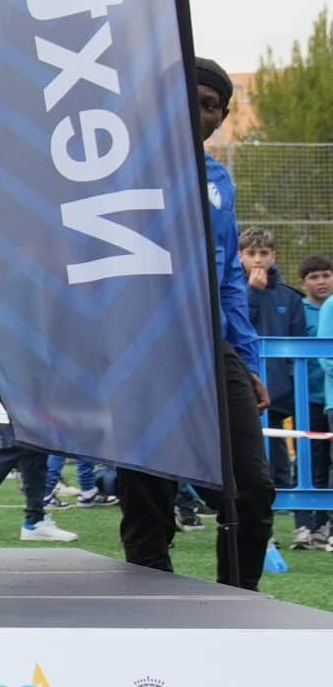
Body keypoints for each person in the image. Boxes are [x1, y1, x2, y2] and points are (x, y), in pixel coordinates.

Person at [114, 58, 275, 590]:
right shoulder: (121, 166)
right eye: (191, 98)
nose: (200, 112)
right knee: (148, 502)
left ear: (221, 118)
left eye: (212, 106)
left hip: (209, 346)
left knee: (251, 490)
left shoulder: (219, 179)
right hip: (140, 346)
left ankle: (239, 602)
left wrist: (246, 360)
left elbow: (229, 276)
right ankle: (152, 608)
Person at [243, 227, 308, 509]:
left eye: (263, 253)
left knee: (278, 444)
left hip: (280, 388)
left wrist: (291, 383)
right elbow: (236, 323)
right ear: (240, 256)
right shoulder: (232, 292)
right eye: (251, 253)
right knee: (245, 444)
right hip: (244, 382)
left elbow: (299, 343)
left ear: (274, 256)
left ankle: (281, 497)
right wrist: (252, 293)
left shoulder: (290, 297)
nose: (258, 259)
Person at [301, 254, 333, 548]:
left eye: (326, 275)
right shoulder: (322, 308)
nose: (322, 281)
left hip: (325, 397)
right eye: (315, 276)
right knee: (316, 463)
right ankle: (314, 525)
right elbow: (325, 356)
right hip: (312, 398)